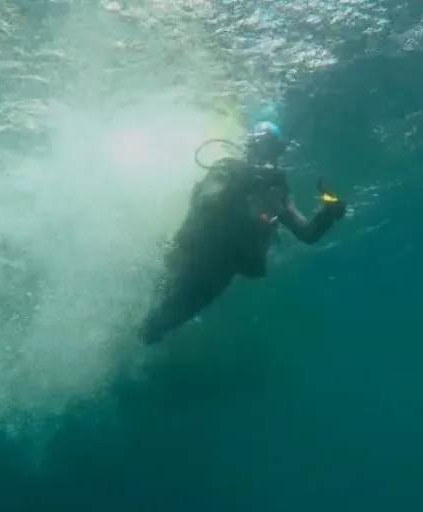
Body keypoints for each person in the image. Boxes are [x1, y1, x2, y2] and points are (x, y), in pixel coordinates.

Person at [138, 121, 347, 345]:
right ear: (251, 148)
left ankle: (137, 344)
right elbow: (207, 201)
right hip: (194, 253)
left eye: (275, 149)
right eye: (265, 147)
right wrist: (248, 179)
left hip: (223, 269)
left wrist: (328, 214)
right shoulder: (227, 168)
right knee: (157, 304)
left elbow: (307, 234)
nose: (270, 156)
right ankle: (130, 326)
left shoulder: (278, 192)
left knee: (160, 325)